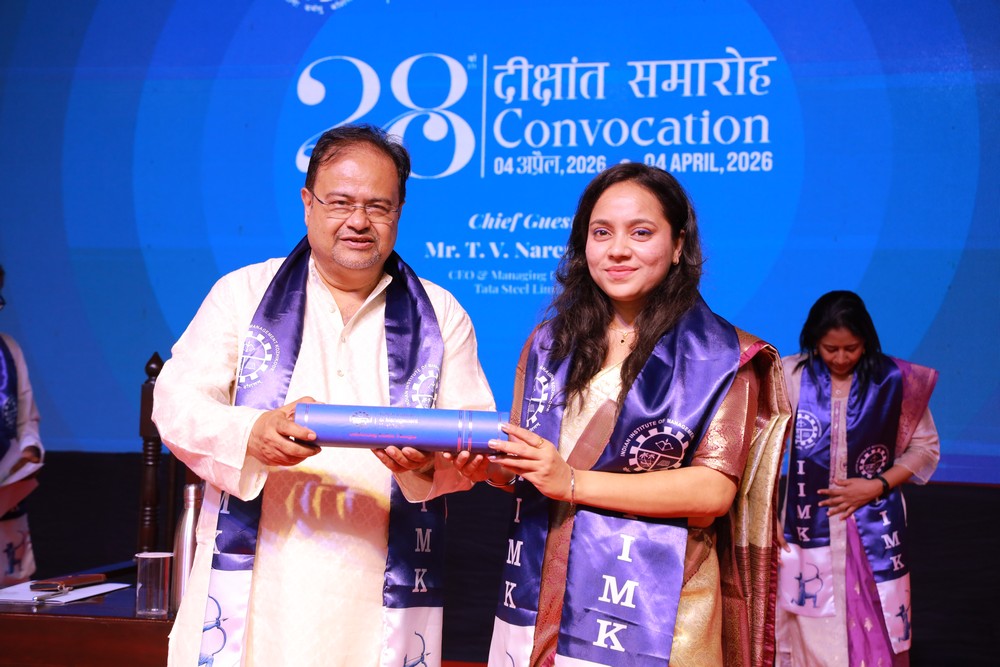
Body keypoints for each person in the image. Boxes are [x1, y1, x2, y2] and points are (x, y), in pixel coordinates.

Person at [152, 124, 495, 667]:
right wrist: (252, 433)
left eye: (378, 206)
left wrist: (428, 466)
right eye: (340, 202)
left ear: (399, 212)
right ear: (308, 203)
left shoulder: (440, 314)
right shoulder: (243, 294)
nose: (359, 221)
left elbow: (473, 438)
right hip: (261, 592)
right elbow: (175, 403)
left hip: (378, 595)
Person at [454, 163, 791, 666]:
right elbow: (528, 467)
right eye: (601, 232)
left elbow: (711, 492)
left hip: (660, 611)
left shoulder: (721, 357)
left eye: (641, 232)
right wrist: (492, 469)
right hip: (544, 589)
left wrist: (571, 482)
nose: (617, 250)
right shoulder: (550, 344)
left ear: (678, 245)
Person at [775, 291, 940, 667]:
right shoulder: (791, 375)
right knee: (810, 615)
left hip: (872, 521)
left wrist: (876, 485)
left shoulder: (895, 380)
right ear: (813, 341)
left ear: (866, 340)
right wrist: (769, 514)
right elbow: (767, 448)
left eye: (851, 348)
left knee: (876, 613)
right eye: (829, 349)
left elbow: (925, 449)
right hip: (807, 520)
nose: (840, 358)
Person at [0, 263, 45, 587]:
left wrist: (30, 449)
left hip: (7, 497)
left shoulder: (8, 350)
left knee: (12, 595)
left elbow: (26, 418)